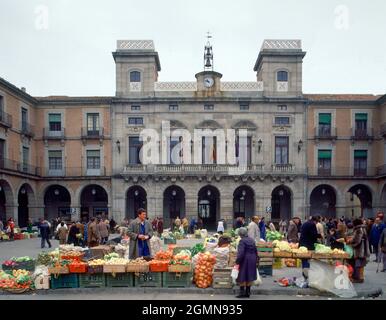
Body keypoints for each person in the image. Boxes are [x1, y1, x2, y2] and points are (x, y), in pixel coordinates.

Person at [235, 227, 258, 298]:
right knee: (249, 275)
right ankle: (248, 292)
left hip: (245, 259)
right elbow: (255, 250)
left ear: (240, 234)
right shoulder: (252, 240)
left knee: (242, 275)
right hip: (253, 258)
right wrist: (257, 259)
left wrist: (237, 261)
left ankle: (242, 293)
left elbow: (241, 253)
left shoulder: (242, 241)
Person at [346, 218, 370, 283]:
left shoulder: (359, 229)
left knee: (359, 264)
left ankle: (359, 278)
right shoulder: (362, 228)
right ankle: (360, 277)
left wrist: (349, 241)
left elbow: (357, 240)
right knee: (360, 264)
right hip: (362, 248)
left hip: (360, 249)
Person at [299, 216, 322, 280]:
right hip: (308, 245)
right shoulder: (312, 224)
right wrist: (320, 236)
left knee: (304, 259)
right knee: (307, 259)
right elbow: (313, 235)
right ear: (315, 221)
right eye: (317, 222)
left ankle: (304, 274)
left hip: (302, 244)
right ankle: (307, 275)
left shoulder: (305, 223)